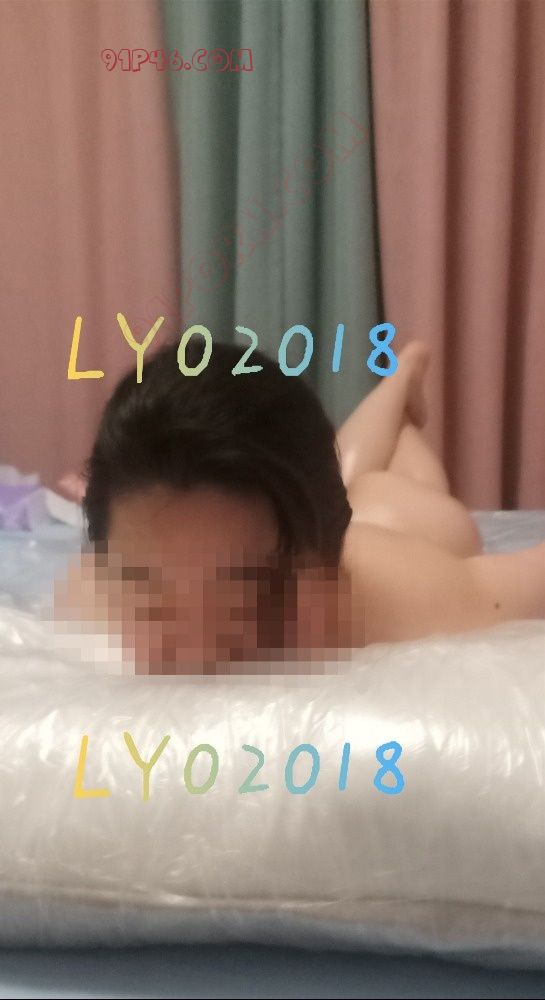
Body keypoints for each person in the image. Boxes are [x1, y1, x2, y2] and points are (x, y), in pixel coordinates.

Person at [56, 338, 545, 673]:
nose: (197, 658)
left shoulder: (411, 599)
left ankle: (403, 387)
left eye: (250, 600)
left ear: (333, 566)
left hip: (401, 524)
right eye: (152, 603)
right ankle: (398, 382)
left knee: (411, 498)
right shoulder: (95, 586)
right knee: (347, 472)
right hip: (317, 511)